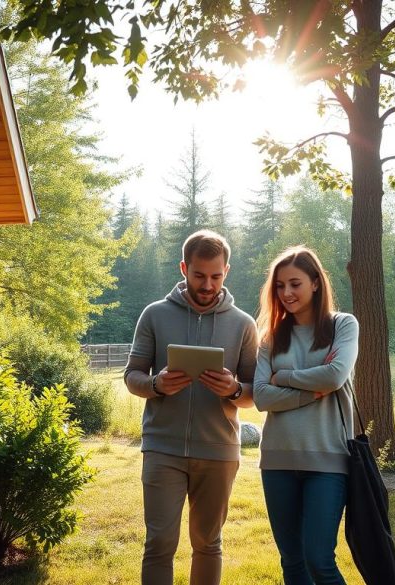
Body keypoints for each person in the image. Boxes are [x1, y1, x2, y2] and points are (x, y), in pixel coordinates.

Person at [124, 230, 258, 585]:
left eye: (215, 276)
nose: (207, 284)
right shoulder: (154, 315)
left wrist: (233, 390)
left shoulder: (244, 324)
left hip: (218, 452)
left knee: (208, 543)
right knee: (159, 543)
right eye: (199, 275)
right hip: (162, 449)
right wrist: (156, 385)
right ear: (184, 267)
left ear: (226, 271)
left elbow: (254, 393)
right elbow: (131, 376)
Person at [252, 246, 359, 585]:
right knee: (292, 563)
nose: (286, 293)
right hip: (277, 461)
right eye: (280, 286)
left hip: (328, 461)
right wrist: (312, 390)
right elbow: (261, 396)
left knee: (319, 560)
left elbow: (334, 376)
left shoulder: (343, 325)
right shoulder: (270, 338)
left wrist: (283, 378)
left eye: (294, 284)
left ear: (315, 283)